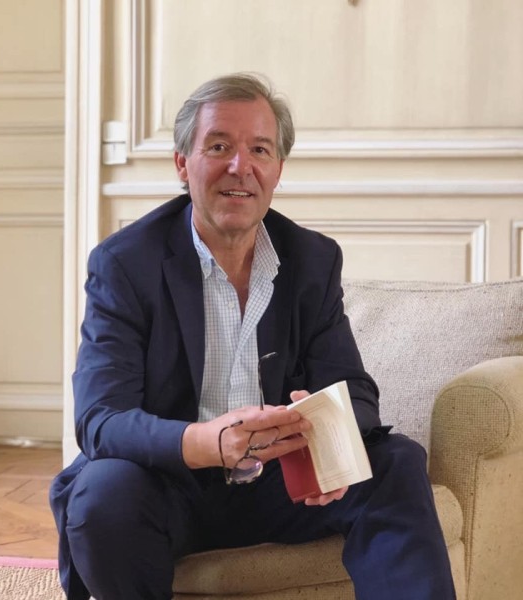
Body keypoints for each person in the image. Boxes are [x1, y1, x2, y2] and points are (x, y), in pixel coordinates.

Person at [50, 72, 456, 600]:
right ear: (183, 163)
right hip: (167, 485)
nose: (240, 166)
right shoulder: (126, 263)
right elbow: (101, 419)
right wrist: (207, 442)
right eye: (219, 146)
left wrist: (323, 433)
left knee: (395, 461)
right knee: (102, 493)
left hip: (281, 484)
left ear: (277, 169)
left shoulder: (311, 260)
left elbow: (355, 391)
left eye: (259, 150)